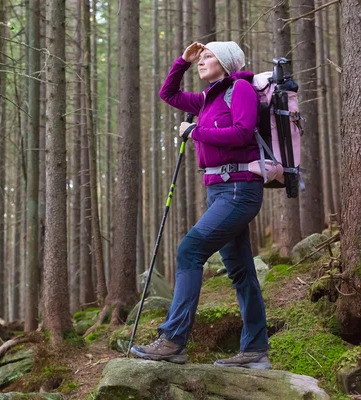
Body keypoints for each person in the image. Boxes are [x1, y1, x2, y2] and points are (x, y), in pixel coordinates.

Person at [130, 41, 270, 370]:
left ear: (226, 62)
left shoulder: (241, 89)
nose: (202, 61)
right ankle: (255, 350)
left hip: (240, 190)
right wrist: (183, 60)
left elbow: (242, 132)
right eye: (202, 57)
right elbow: (169, 94)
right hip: (219, 191)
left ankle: (173, 341)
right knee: (240, 270)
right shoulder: (208, 97)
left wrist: (196, 130)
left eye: (209, 57)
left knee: (190, 251)